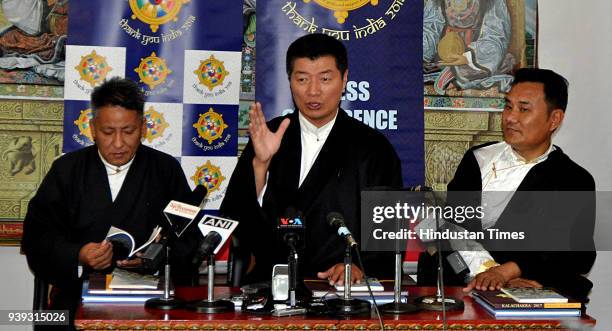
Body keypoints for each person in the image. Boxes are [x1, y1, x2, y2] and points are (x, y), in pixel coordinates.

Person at [221, 33, 402, 286]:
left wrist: (358, 266)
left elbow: (388, 234)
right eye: (302, 79)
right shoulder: (271, 136)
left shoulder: (373, 148)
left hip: (341, 290)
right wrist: (261, 165)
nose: (313, 91)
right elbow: (235, 218)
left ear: (344, 79)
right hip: (273, 287)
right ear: (290, 81)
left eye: (325, 79)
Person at [21, 77, 195, 330]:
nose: (118, 143)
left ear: (143, 127)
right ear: (92, 128)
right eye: (107, 132)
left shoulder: (165, 170)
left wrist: (154, 259)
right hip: (77, 294)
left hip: (148, 301)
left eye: (128, 131)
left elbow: (189, 238)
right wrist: (79, 255)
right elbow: (37, 237)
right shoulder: (67, 171)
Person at [417, 68, 596, 302]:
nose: (510, 118)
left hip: (534, 291)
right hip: (464, 285)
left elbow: (576, 255)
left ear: (555, 119)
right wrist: (490, 272)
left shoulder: (574, 180)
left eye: (524, 109)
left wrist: (510, 270)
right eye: (508, 106)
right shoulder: (478, 160)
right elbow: (454, 226)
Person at [423, 0, 515, 93]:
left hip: (478, 59)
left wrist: (468, 58)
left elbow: (496, 35)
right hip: (443, 53)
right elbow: (430, 27)